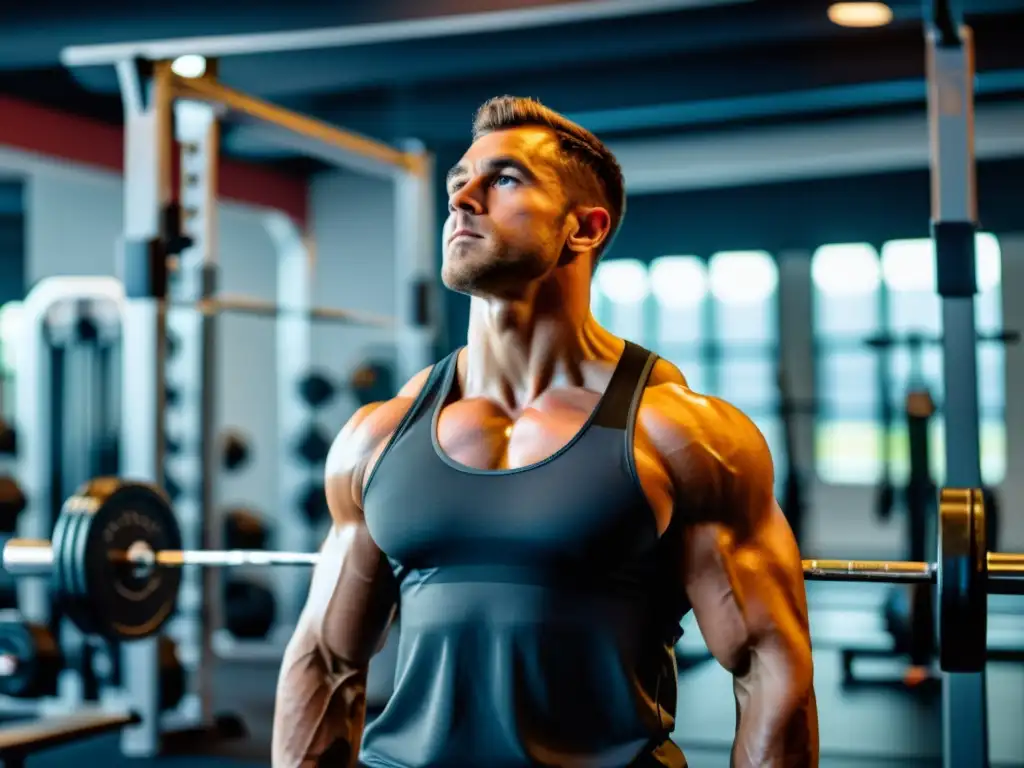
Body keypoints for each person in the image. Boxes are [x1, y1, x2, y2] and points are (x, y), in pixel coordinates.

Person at [272, 95, 818, 768]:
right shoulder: (377, 435)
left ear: (582, 230)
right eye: (458, 183)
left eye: (504, 180)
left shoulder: (680, 433)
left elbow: (769, 670)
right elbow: (326, 662)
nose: (463, 199)